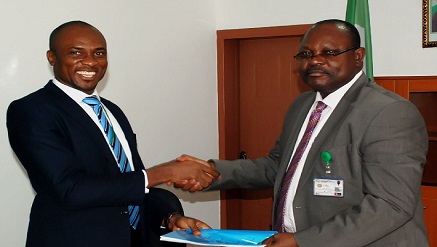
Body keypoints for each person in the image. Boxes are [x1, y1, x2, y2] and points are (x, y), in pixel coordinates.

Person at [174, 19, 430, 247]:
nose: (315, 60)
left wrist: (303, 240)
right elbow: (278, 166)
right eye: (306, 54)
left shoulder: (389, 112)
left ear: (357, 56)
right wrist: (211, 172)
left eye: (329, 52)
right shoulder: (303, 105)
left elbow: (390, 206)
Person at [6, 20, 220, 247]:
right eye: (76, 53)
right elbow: (71, 189)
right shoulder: (32, 110)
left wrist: (170, 217)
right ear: (52, 57)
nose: (90, 61)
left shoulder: (111, 111)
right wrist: (165, 171)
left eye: (99, 53)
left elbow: (130, 185)